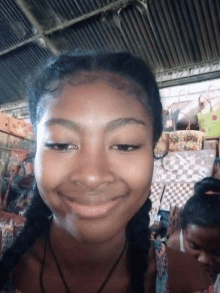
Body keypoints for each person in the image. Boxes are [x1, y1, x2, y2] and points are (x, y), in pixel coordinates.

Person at [0, 51, 212, 293]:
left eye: (124, 145)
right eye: (61, 144)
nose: (91, 177)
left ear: (153, 153)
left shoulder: (185, 281)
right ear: (35, 153)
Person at [168, 177, 220, 292]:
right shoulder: (175, 245)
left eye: (217, 251)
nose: (204, 260)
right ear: (183, 231)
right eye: (194, 246)